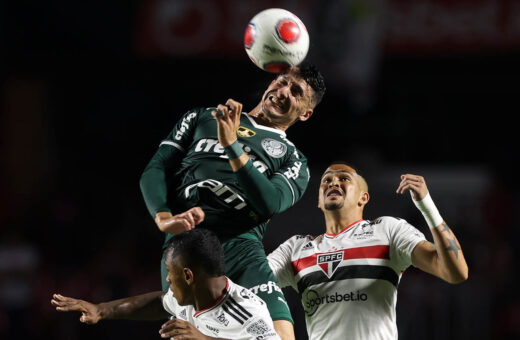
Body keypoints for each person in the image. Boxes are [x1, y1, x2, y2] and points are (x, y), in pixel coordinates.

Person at [139, 64, 326, 339]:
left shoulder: (293, 159)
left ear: (306, 113)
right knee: (186, 334)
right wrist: (162, 216)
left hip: (241, 248)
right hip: (187, 246)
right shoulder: (202, 117)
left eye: (296, 92)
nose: (283, 90)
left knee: (281, 335)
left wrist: (232, 147)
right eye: (282, 81)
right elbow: (156, 168)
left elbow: (269, 202)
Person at [267, 162, 469, 340]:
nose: (333, 182)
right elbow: (250, 283)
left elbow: (456, 272)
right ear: (319, 201)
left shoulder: (388, 230)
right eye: (326, 180)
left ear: (363, 197)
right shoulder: (295, 249)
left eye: (344, 178)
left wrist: (427, 207)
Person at [52, 228, 281, 340]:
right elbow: (159, 302)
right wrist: (101, 310)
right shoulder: (191, 297)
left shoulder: (249, 311)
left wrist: (202, 339)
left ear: (189, 276)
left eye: (171, 273)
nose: (168, 279)